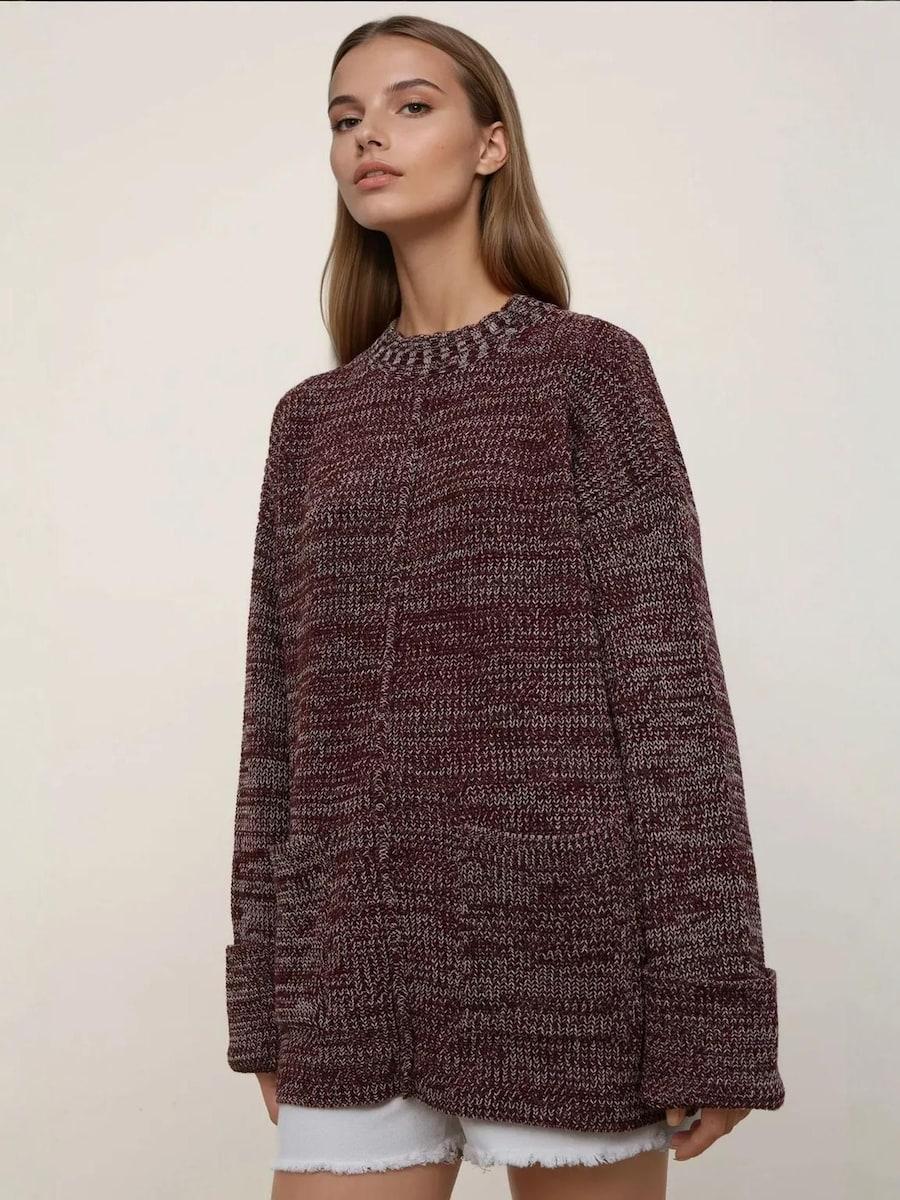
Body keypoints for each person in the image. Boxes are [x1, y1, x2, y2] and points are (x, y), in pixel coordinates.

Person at [224, 14, 785, 1200]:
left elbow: (673, 698)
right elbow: (278, 727)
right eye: (345, 117)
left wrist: (711, 1007)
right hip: (357, 970)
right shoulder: (309, 424)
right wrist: (268, 995)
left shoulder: (589, 370)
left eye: (410, 105)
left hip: (567, 964)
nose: (368, 135)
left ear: (491, 145)